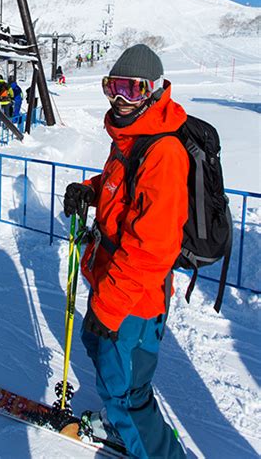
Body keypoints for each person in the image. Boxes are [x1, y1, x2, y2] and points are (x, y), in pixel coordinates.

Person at [64, 44, 187, 459]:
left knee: (128, 393)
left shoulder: (164, 154)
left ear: (151, 92)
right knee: (102, 358)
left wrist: (109, 307)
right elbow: (121, 188)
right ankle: (120, 426)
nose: (119, 99)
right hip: (111, 284)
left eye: (130, 90)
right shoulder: (131, 140)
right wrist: (91, 190)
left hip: (135, 298)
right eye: (113, 87)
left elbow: (152, 250)